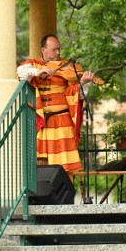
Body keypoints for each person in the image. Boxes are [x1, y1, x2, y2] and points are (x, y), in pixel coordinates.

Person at [17, 34, 94, 175]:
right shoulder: (33, 64)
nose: (58, 53)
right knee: (39, 165)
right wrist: (38, 72)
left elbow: (77, 95)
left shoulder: (68, 67)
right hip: (41, 122)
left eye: (59, 49)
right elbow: (21, 72)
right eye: (54, 50)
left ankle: (65, 194)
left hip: (62, 121)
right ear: (43, 50)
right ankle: (41, 197)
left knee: (65, 166)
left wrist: (82, 83)